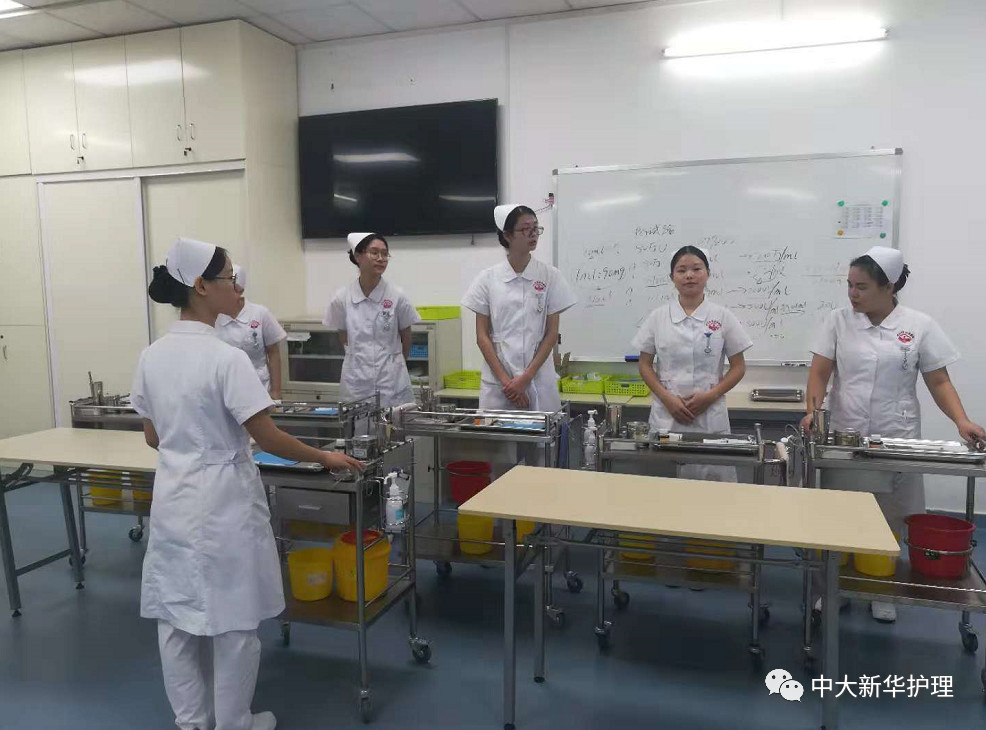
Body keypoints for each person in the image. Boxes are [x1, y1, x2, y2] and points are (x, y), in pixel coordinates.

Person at [132, 237, 364, 730]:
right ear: (201, 286)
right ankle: (234, 722)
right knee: (234, 619)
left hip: (174, 495)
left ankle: (192, 722)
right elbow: (268, 436)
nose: (237, 287)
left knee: (176, 618)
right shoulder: (226, 359)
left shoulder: (151, 356)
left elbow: (152, 436)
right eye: (229, 278)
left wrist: (189, 448)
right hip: (223, 500)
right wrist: (324, 457)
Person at [801, 245, 985, 623]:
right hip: (845, 434)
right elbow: (819, 372)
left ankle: (879, 588)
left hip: (895, 436)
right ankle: (830, 589)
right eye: (849, 285)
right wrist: (813, 412)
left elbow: (938, 381)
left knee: (889, 515)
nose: (852, 294)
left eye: (862, 287)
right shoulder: (838, 321)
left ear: (889, 287)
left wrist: (961, 421)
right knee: (838, 514)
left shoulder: (919, 325)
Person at [631, 245, 753, 481]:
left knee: (712, 489)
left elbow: (738, 367)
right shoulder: (658, 317)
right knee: (664, 490)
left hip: (710, 417)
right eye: (681, 270)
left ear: (707, 274)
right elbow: (644, 364)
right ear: (672, 277)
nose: (689, 275)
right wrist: (667, 399)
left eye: (696, 269)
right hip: (667, 417)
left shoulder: (722, 316)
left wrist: (710, 396)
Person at [462, 204, 577, 413]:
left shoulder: (550, 276)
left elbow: (551, 334)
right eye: (525, 229)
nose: (533, 234)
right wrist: (508, 383)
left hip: (538, 378)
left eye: (536, 228)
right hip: (499, 383)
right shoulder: (487, 279)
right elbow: (482, 337)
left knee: (542, 433)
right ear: (507, 235)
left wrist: (525, 378)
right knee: (497, 433)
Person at [324, 233, 421, 407]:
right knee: (357, 422)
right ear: (358, 256)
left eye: (385, 254)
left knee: (393, 422)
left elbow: (406, 337)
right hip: (356, 380)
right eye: (374, 253)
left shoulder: (397, 296)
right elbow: (343, 335)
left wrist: (395, 364)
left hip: (391, 379)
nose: (381, 259)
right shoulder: (342, 298)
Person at [214, 264, 287, 400]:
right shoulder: (214, 315)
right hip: (224, 389)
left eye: (233, 289)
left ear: (240, 290)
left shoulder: (260, 313)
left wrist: (276, 391)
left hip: (259, 387)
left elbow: (273, 352)